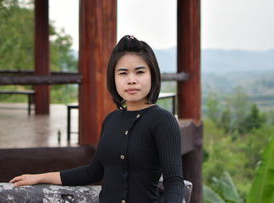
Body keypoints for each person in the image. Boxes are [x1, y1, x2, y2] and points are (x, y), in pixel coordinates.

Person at [10, 35, 184, 202]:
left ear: (152, 76)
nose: (131, 80)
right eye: (123, 73)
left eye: (139, 72)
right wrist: (40, 177)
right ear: (113, 78)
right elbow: (93, 172)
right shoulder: (111, 120)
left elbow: (174, 182)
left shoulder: (162, 120)